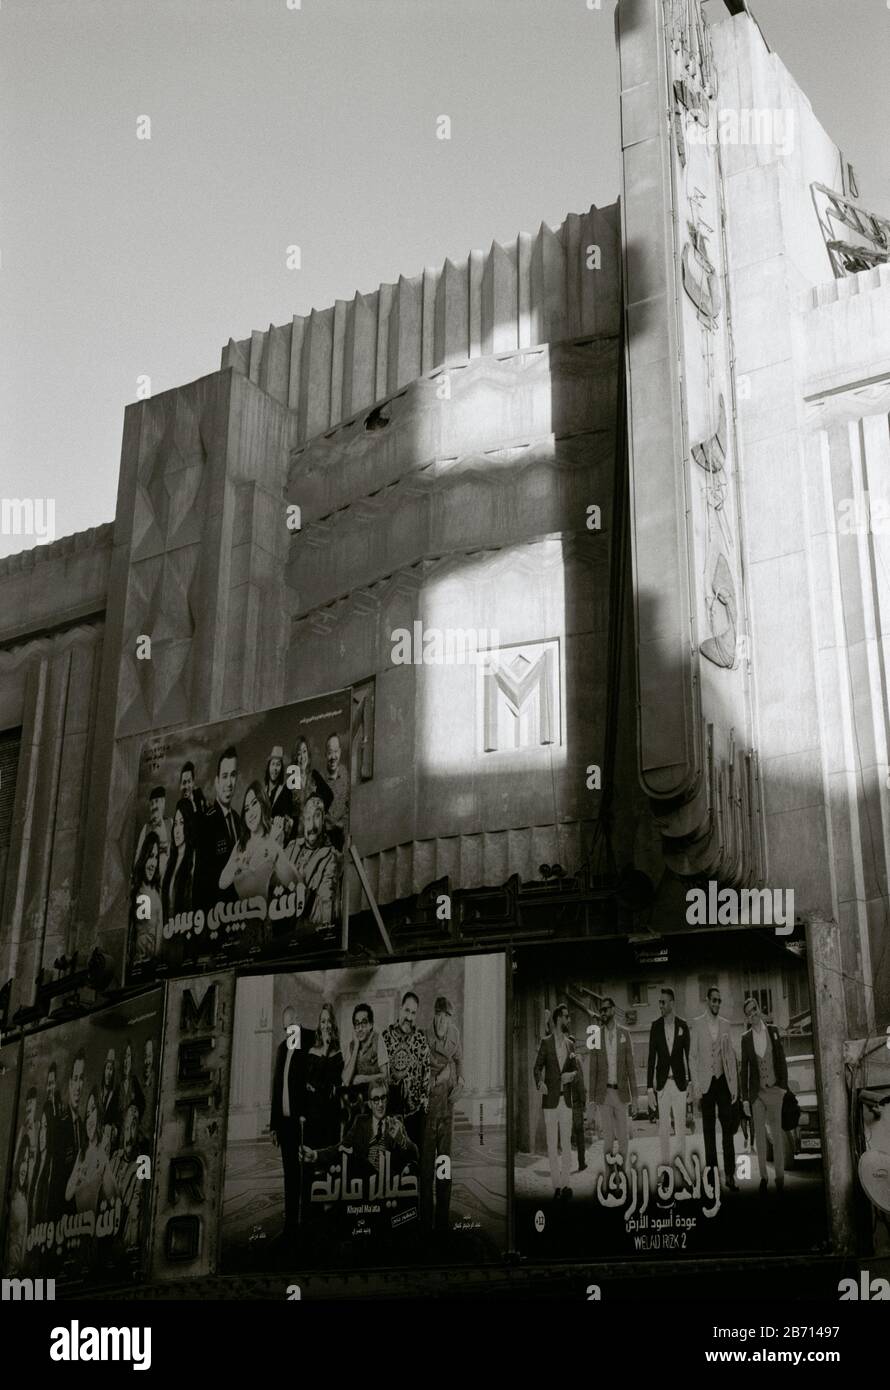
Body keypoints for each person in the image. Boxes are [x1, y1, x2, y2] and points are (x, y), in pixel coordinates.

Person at [301, 1081, 418, 1181]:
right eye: (376, 1099)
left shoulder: (396, 1122)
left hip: (388, 1185)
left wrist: (401, 1139)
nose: (380, 1104)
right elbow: (340, 1147)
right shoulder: (360, 1122)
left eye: (383, 1098)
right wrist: (315, 1155)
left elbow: (414, 1154)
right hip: (363, 1184)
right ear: (370, 1104)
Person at [270, 1006, 315, 1242]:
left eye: (293, 1026)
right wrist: (274, 1125)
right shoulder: (281, 1049)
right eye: (286, 1028)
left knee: (306, 1172)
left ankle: (307, 1223)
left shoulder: (310, 1041)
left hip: (303, 1123)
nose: (290, 1032)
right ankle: (290, 1225)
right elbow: (276, 1088)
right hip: (285, 1125)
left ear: (298, 1019)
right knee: (290, 1175)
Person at [219, 782, 299, 911]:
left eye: (254, 803)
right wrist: (237, 866)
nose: (250, 813)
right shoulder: (240, 845)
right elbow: (222, 883)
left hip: (264, 918)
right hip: (240, 921)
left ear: (263, 803)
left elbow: (294, 884)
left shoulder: (274, 838)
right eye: (246, 808)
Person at [691, 986, 739, 1191]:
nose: (717, 1004)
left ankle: (730, 1175)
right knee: (708, 1132)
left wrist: (734, 1086)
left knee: (728, 1130)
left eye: (719, 1001)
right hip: (706, 1085)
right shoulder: (697, 1024)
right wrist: (697, 1087)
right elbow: (692, 1057)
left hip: (723, 1083)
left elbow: (730, 1056)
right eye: (714, 1000)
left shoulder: (726, 1025)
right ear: (707, 1001)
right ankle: (712, 1178)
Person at [422, 996, 463, 1231]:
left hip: (447, 1111)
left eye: (446, 1017)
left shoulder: (455, 1035)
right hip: (428, 1114)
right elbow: (420, 1077)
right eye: (438, 1015)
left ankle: (442, 1222)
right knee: (427, 1172)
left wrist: (462, 1080)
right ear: (434, 1015)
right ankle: (427, 1224)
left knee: (444, 1169)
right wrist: (441, 1076)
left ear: (450, 1019)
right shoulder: (424, 1036)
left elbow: (459, 1059)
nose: (441, 1021)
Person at [740, 996, 788, 1195]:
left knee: (777, 1136)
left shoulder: (774, 1031)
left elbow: (781, 1059)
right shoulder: (745, 1038)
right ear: (747, 1017)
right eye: (749, 1012)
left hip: (775, 1090)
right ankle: (763, 1177)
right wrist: (745, 1098)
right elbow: (744, 1070)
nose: (753, 1013)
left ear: (759, 1008)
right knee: (760, 1137)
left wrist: (783, 1087)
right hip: (757, 1094)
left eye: (755, 1009)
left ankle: (779, 1176)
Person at [534, 1002, 578, 1200]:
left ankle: (566, 1184)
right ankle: (557, 1186)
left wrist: (572, 1075)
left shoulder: (571, 1044)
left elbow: (575, 1069)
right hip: (550, 1102)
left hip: (565, 1102)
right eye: (566, 1016)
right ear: (559, 1018)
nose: (569, 1020)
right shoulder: (545, 1042)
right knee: (552, 1145)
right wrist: (539, 1082)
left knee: (566, 1143)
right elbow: (537, 1068)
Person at [590, 997, 636, 1175]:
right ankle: (610, 1175)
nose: (602, 1013)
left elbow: (630, 1066)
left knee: (623, 1138)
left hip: (621, 1093)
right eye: (601, 1010)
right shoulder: (595, 1035)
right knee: (608, 1139)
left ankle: (622, 1172)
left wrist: (636, 1095)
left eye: (605, 1010)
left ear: (613, 1011)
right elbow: (592, 1070)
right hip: (604, 1094)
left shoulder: (625, 1033)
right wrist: (592, 1100)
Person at [382, 991, 432, 1154]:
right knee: (391, 1159)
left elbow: (426, 1070)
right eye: (407, 1011)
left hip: (414, 1114)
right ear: (400, 1008)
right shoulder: (385, 1037)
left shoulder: (420, 1039)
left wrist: (424, 1099)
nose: (409, 1017)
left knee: (413, 1157)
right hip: (390, 1111)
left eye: (413, 1013)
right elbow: (379, 1073)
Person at [646, 987, 691, 1168]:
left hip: (680, 1084)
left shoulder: (683, 1025)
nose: (661, 1006)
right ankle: (665, 1167)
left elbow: (689, 1056)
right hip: (663, 1086)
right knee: (663, 1129)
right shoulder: (655, 1026)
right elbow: (651, 1058)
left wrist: (692, 1084)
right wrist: (649, 1088)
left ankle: (681, 1166)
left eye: (663, 1002)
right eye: (659, 1002)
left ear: (672, 1003)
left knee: (680, 1129)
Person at [195, 746, 241, 911]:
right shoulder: (206, 822)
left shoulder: (238, 820)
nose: (229, 783)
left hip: (238, 911)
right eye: (225, 776)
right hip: (215, 915)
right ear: (216, 781)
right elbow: (201, 880)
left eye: (233, 775)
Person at [283, 795, 341, 927]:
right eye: (308, 818)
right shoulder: (292, 847)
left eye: (317, 816)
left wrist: (303, 890)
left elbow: (325, 912)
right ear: (303, 821)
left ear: (324, 819)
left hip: (305, 934)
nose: (312, 826)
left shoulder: (330, 857)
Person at [64, 1087, 119, 1215]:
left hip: (102, 1219)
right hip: (82, 1223)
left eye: (93, 1110)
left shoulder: (104, 1144)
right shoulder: (82, 1153)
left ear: (99, 1113)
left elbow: (113, 1194)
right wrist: (77, 1178)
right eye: (87, 1114)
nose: (89, 1120)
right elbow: (67, 1194)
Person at [304, 1002, 343, 1151]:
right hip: (314, 1115)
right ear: (319, 1025)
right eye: (323, 1021)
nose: (326, 1025)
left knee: (330, 1159)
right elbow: (313, 1082)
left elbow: (334, 1084)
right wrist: (325, 1049)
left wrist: (320, 1087)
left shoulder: (339, 1054)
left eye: (329, 1021)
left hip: (331, 1114)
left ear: (333, 1025)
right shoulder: (312, 1052)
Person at [342, 1002, 387, 1127]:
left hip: (376, 1103)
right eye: (357, 1024)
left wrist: (364, 1079)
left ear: (371, 1025)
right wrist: (356, 1047)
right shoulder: (351, 1046)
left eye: (364, 1023)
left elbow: (385, 1075)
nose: (360, 1028)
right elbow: (346, 1080)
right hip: (357, 1105)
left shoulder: (378, 1040)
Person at [53, 1049, 86, 1214]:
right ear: (69, 1083)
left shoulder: (82, 1127)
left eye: (81, 1079)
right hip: (59, 1220)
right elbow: (55, 1181)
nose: (78, 1086)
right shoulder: (59, 1125)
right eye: (75, 1078)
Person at [110, 1098, 146, 1249]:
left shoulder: (144, 1162)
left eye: (134, 1124)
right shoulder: (114, 1159)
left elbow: (137, 1204)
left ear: (138, 1130)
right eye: (127, 1125)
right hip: (107, 1235)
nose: (129, 1131)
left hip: (126, 1242)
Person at [129, 830, 163, 965]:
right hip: (141, 962)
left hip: (156, 963)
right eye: (150, 856)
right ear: (144, 857)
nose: (153, 863)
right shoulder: (137, 890)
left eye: (156, 858)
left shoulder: (156, 890)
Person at [162, 798, 198, 920]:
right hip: (168, 929)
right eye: (175, 823)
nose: (177, 830)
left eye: (182, 823)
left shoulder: (193, 859)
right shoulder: (171, 860)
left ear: (188, 825)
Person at [292, 735, 333, 831]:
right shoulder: (292, 781)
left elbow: (329, 796)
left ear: (308, 754)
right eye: (298, 754)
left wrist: (319, 812)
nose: (302, 757)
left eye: (304, 752)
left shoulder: (314, 775)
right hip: (299, 833)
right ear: (295, 757)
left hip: (314, 828)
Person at [134, 786, 171, 882]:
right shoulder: (146, 829)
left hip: (167, 880)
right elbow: (138, 858)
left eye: (156, 801)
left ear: (163, 802)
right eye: (152, 803)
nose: (154, 806)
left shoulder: (171, 824)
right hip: (150, 881)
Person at [28, 1101, 55, 1227]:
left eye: (46, 1127)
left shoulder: (51, 1167)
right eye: (41, 1128)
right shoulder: (36, 1166)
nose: (42, 1134)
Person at [7, 1134, 31, 1273]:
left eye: (27, 1161)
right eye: (23, 1160)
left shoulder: (24, 1196)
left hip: (19, 1275)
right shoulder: (12, 1196)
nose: (25, 1167)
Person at [322, 733, 349, 847]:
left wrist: (341, 825)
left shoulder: (349, 779)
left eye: (336, 751)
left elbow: (352, 811)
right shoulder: (320, 783)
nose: (333, 757)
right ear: (325, 755)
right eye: (330, 752)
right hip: (325, 845)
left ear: (340, 752)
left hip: (344, 843)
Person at [264, 745, 294, 844]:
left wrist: (283, 821)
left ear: (281, 768)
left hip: (277, 842)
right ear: (268, 766)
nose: (275, 768)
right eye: (273, 764)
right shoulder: (262, 792)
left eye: (278, 765)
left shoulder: (286, 791)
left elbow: (289, 820)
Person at [99, 1048, 121, 1154]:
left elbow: (117, 1120)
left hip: (106, 1141)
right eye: (107, 1068)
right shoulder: (98, 1094)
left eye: (111, 1069)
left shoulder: (114, 1096)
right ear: (104, 1070)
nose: (108, 1072)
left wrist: (111, 1129)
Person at [118, 1040, 146, 1122]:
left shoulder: (134, 1082)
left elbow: (142, 1104)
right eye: (124, 1057)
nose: (126, 1061)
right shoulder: (118, 1086)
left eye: (128, 1056)